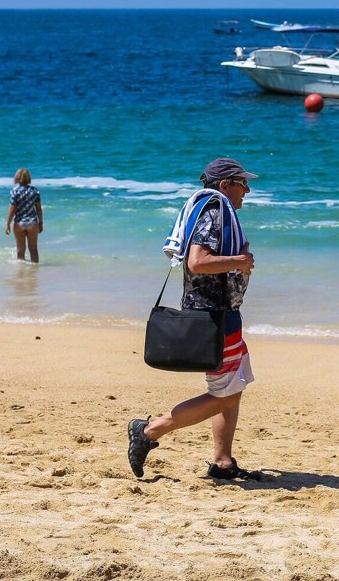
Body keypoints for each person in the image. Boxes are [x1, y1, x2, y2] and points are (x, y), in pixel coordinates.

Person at [128, 157, 258, 480]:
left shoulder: (217, 211)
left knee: (233, 384)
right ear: (225, 185)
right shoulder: (214, 212)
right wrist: (239, 261)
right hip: (212, 317)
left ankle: (223, 462)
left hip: (224, 313)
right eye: (242, 183)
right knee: (225, 394)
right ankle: (148, 431)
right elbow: (197, 262)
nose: (248, 189)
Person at [4, 168, 43, 263]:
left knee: (20, 251)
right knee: (33, 250)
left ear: (17, 178)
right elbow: (38, 209)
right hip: (32, 222)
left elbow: (12, 209)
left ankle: (21, 273)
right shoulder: (35, 191)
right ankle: (34, 272)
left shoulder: (15, 191)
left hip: (19, 223)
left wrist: (8, 224)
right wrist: (40, 223)